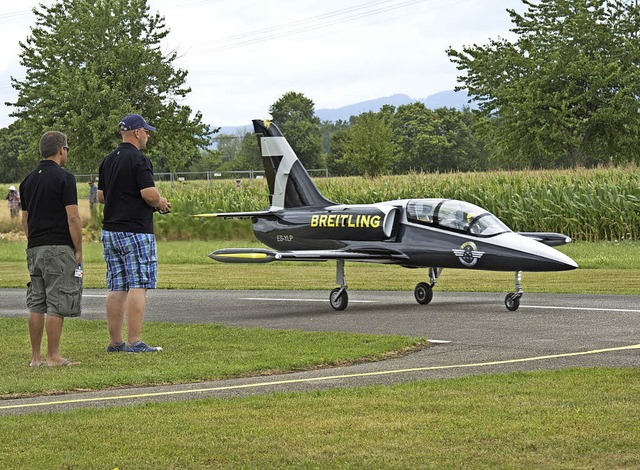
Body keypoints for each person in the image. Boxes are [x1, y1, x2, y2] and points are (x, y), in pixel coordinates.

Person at [98, 113, 170, 353]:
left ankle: (115, 342)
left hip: (110, 230)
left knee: (117, 286)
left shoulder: (108, 160)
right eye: (146, 131)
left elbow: (101, 196)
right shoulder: (139, 159)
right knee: (139, 284)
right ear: (137, 132)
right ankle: (135, 341)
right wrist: (161, 203)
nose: (148, 135)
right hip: (136, 231)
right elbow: (149, 194)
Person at [19, 131, 82, 367]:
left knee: (37, 301)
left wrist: (33, 241)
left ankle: (35, 357)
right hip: (58, 246)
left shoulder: (28, 180)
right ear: (61, 150)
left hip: (35, 247)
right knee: (57, 299)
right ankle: (53, 356)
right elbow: (73, 218)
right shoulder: (65, 178)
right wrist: (78, 249)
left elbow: (25, 220)